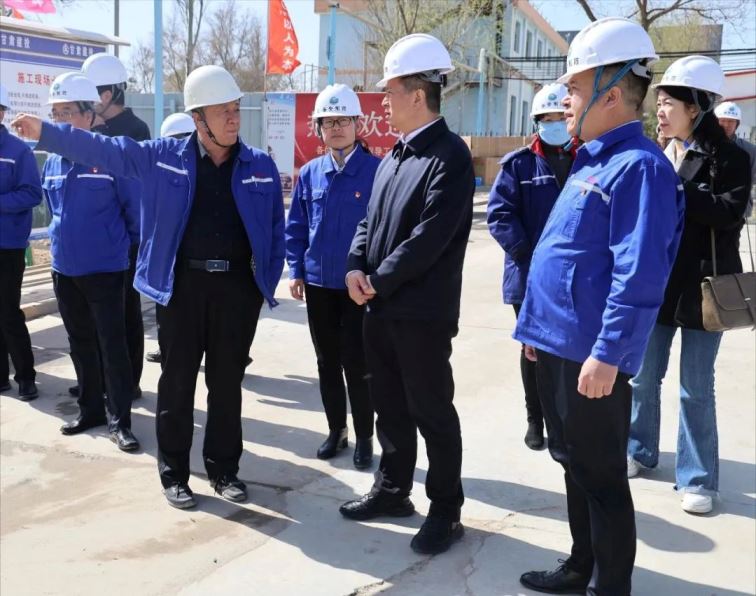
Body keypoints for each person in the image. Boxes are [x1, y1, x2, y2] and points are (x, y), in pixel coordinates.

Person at [12, 65, 285, 509]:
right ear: (198, 118)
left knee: (226, 385)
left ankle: (224, 470)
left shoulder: (260, 166)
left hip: (237, 292)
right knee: (177, 384)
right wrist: (48, 132)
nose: (234, 118)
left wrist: (261, 286)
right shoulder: (164, 157)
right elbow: (106, 149)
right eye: (223, 111)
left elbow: (275, 228)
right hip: (182, 288)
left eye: (236, 109)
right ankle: (174, 474)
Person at [513, 18, 684, 595]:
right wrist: (535, 329)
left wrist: (609, 353)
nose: (565, 100)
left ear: (612, 95)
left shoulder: (640, 167)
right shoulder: (591, 159)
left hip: (591, 357)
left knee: (602, 477)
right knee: (572, 462)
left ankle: (610, 585)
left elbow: (639, 275)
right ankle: (580, 564)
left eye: (576, 88)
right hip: (556, 345)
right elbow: (564, 254)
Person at [338, 34, 475, 556]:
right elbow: (369, 221)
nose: (383, 102)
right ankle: (393, 490)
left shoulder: (449, 157)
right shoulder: (395, 155)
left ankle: (446, 510)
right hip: (381, 308)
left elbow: (430, 238)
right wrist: (356, 265)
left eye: (390, 91)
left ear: (418, 95)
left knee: (432, 412)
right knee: (389, 406)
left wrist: (378, 280)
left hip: (421, 314)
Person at [627, 56, 752, 515]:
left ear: (695, 108)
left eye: (668, 103)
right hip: (659, 283)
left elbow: (730, 213)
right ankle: (639, 450)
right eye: (658, 103)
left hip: (705, 288)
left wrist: (678, 188)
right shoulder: (658, 153)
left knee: (694, 387)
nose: (659, 112)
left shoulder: (733, 158)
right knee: (643, 376)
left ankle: (698, 478)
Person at [41, 72, 140, 452]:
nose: (60, 120)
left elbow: (134, 212)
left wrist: (126, 253)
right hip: (65, 269)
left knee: (112, 346)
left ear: (89, 114)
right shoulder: (52, 162)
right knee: (80, 343)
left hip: (106, 270)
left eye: (67, 111)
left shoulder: (110, 156)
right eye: (55, 113)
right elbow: (53, 210)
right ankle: (91, 410)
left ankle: (120, 420)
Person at [285, 84, 380, 469]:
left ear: (358, 124)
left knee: (358, 364)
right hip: (319, 284)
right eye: (328, 122)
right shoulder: (310, 174)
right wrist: (296, 269)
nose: (336, 128)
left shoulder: (376, 172)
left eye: (343, 120)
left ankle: (365, 437)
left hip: (359, 288)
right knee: (327, 362)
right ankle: (336, 430)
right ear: (319, 129)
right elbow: (297, 226)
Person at [487, 82, 577, 451]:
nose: (555, 125)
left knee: (568, 351)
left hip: (574, 276)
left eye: (560, 118)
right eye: (547, 119)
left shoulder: (587, 160)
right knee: (534, 350)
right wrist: (528, 254)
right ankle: (535, 418)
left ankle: (564, 420)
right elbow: (499, 214)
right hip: (528, 277)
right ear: (536, 122)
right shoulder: (519, 164)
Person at [68, 53, 151, 400]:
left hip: (124, 238)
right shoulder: (91, 128)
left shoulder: (135, 130)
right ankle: (96, 379)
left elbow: (137, 190)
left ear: (106, 95)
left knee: (126, 311)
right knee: (92, 317)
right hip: (92, 240)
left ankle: (128, 381)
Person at [143, 112, 197, 366]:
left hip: (184, 252)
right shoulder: (159, 169)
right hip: (169, 251)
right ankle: (167, 347)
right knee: (166, 302)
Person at [0, 84, 42, 401]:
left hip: (8, 245)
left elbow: (32, 193)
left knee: (8, 312)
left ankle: (26, 376)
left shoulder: (18, 151)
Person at [714, 101, 756, 216]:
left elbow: (751, 178)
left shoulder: (749, 150)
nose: (726, 125)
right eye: (723, 120)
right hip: (710, 206)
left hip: (738, 208)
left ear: (737, 124)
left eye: (731, 121)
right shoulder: (706, 147)